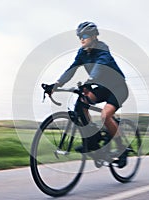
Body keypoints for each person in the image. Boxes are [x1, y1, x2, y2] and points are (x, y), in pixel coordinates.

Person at [52, 22, 129, 168]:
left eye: (85, 35)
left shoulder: (102, 49)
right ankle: (92, 140)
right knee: (81, 103)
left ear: (94, 36)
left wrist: (90, 80)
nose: (82, 39)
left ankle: (121, 148)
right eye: (80, 36)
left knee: (106, 115)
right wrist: (56, 84)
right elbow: (71, 69)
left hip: (118, 88)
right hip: (102, 88)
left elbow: (100, 65)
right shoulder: (82, 53)